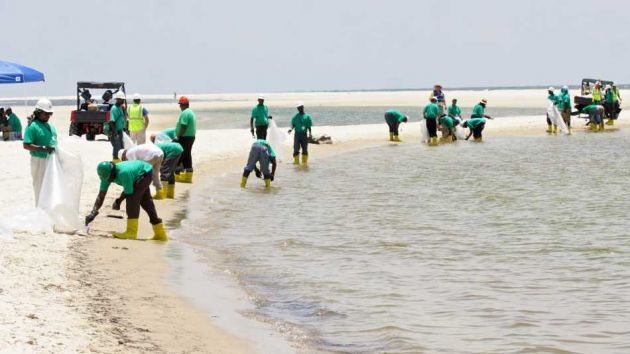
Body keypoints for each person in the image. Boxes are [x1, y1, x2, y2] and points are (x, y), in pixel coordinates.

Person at [85, 160, 168, 241]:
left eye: (109, 178)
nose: (108, 180)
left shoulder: (123, 173)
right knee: (146, 202)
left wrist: (118, 201)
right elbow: (101, 195)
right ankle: (160, 234)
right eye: (106, 179)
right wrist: (93, 212)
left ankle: (131, 232)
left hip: (145, 173)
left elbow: (129, 191)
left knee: (132, 199)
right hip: (139, 172)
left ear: (113, 172)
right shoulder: (106, 176)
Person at [22, 99, 57, 204]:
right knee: (40, 188)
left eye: (50, 114)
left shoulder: (50, 126)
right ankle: (40, 212)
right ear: (38, 113)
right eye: (45, 113)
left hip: (51, 160)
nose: (48, 116)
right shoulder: (32, 126)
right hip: (39, 161)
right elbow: (26, 145)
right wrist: (43, 148)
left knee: (50, 188)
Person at [174, 96, 196, 183]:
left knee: (179, 156)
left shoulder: (185, 113)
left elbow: (183, 125)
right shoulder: (190, 112)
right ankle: (188, 177)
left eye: (180, 105)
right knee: (187, 156)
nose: (179, 107)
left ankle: (177, 176)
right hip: (190, 137)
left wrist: (178, 136)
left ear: (183, 105)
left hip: (185, 137)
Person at [108, 91, 126, 162]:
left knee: (121, 147)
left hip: (120, 131)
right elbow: (112, 122)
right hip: (115, 131)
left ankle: (119, 161)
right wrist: (115, 133)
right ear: (118, 99)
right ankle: (115, 161)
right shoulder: (114, 108)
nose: (123, 101)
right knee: (117, 147)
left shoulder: (120, 107)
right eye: (122, 100)